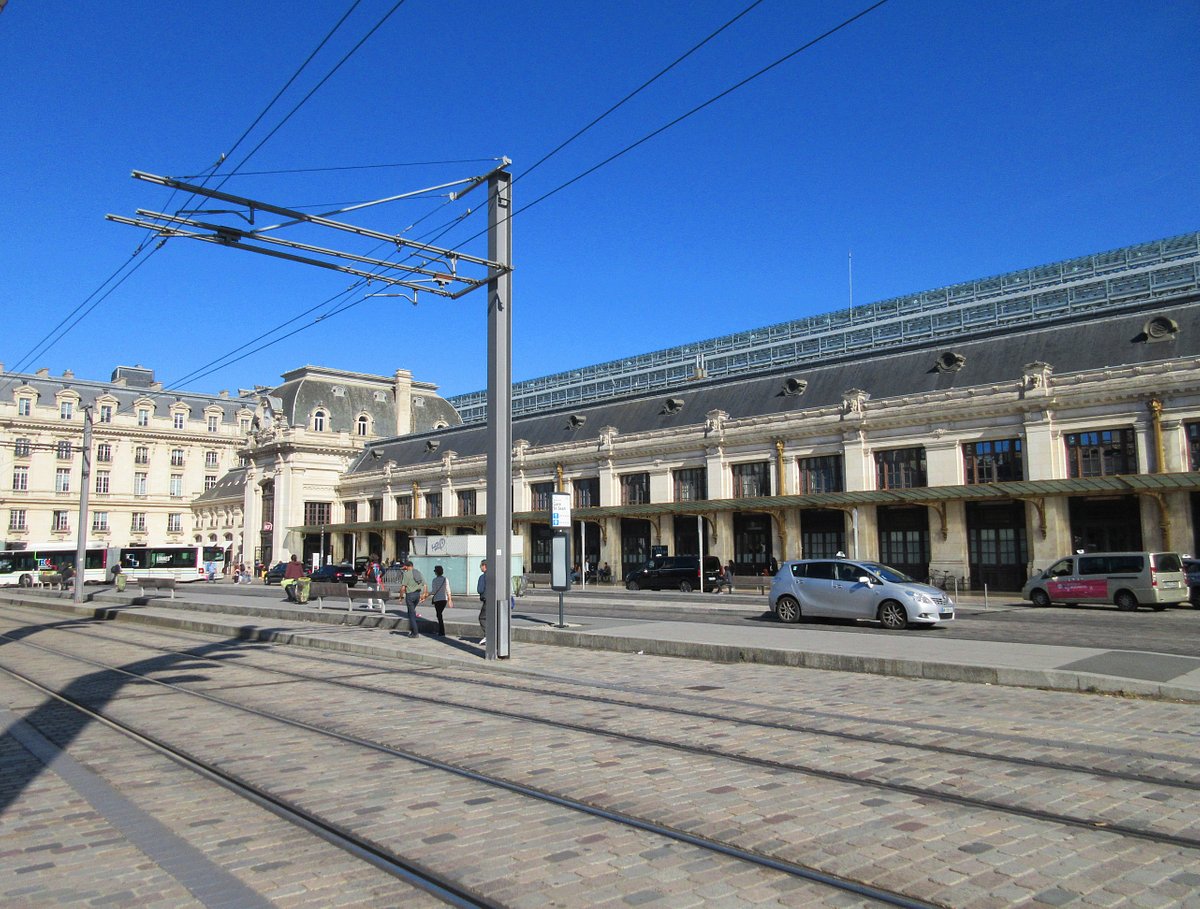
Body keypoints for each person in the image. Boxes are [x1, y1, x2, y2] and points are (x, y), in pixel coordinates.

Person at [398, 559, 426, 638]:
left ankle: (415, 633)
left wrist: (400, 597)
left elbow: (403, 588)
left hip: (410, 595)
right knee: (412, 612)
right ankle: (413, 631)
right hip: (417, 595)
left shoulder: (406, 574)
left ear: (406, 566)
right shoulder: (418, 572)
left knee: (411, 615)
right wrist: (424, 594)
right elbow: (424, 584)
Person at [428, 564, 451, 636]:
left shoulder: (434, 580)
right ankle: (441, 631)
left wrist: (427, 594)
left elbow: (434, 591)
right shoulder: (445, 579)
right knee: (439, 614)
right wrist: (450, 600)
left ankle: (442, 631)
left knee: (439, 615)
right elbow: (448, 590)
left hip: (437, 599)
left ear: (436, 572)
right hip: (444, 599)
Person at [476, 559, 488, 646]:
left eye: (481, 566)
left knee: (482, 618)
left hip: (487, 600)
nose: (480, 567)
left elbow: (480, 589)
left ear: (484, 566)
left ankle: (488, 635)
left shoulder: (482, 577)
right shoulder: (494, 575)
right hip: (496, 600)